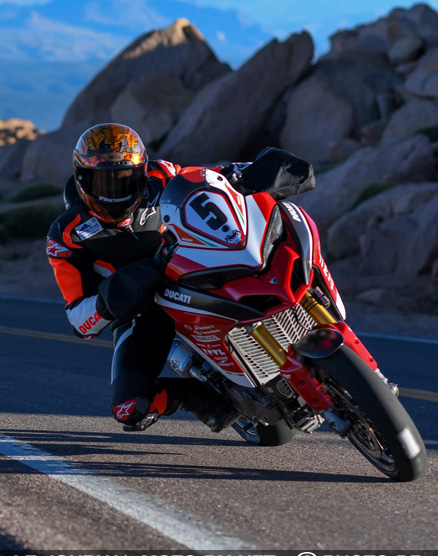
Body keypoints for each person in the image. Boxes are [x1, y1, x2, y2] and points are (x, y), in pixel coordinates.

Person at [45, 123, 314, 432]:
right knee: (128, 408)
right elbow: (79, 320)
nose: (114, 190)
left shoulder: (162, 175)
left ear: (142, 172)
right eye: (103, 182)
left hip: (196, 271)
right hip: (142, 311)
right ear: (82, 180)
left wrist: (253, 173)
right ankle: (194, 396)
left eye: (125, 179)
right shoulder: (66, 235)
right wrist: (112, 298)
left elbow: (214, 180)